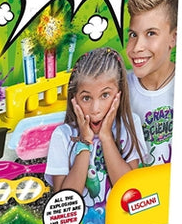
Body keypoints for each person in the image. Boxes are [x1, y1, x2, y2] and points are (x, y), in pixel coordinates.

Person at [45, 48, 146, 209]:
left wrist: (106, 137)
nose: (95, 109)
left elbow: (129, 190)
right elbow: (64, 203)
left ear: (119, 94)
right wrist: (85, 142)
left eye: (105, 95)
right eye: (86, 98)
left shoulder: (130, 124)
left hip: (121, 219)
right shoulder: (62, 135)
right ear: (74, 99)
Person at [125, 0, 178, 165]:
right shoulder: (118, 90)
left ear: (174, 38)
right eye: (133, 35)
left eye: (151, 33)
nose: (137, 47)